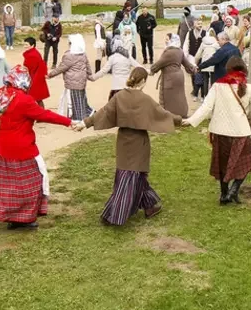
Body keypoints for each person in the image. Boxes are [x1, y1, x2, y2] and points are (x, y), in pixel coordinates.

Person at [0, 65, 72, 229]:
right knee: (33, 181)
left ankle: (11, 217)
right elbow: (45, 115)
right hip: (23, 150)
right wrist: (69, 122)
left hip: (2, 150)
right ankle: (25, 218)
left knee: (7, 186)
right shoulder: (24, 100)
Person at [75, 67, 178, 224]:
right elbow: (163, 114)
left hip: (124, 141)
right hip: (139, 142)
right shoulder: (145, 99)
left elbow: (103, 112)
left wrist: (85, 123)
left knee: (135, 175)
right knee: (130, 178)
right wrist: (180, 120)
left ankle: (149, 206)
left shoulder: (119, 96)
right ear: (143, 81)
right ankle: (113, 214)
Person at [185, 56, 251, 204]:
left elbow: (206, 107)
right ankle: (234, 190)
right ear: (244, 69)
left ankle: (224, 195)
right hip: (240, 133)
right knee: (246, 162)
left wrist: (191, 121)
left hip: (220, 132)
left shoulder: (218, 85)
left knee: (222, 165)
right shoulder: (248, 88)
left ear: (228, 69)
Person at [48, 34, 93, 121]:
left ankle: (79, 119)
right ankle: (88, 113)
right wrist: (90, 75)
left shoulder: (69, 55)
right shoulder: (83, 54)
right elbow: (88, 67)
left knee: (75, 101)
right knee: (81, 98)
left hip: (72, 82)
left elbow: (61, 68)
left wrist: (50, 75)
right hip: (82, 81)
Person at [150, 34, 197, 117]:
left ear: (172, 40)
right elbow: (187, 65)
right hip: (179, 76)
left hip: (170, 77)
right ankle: (182, 114)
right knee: (179, 96)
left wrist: (152, 70)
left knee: (168, 97)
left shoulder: (169, 52)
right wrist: (194, 69)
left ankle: (168, 116)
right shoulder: (179, 51)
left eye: (167, 39)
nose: (165, 40)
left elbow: (159, 64)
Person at [22, 37, 50, 106]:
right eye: (24, 44)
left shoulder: (32, 55)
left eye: (26, 45)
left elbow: (29, 69)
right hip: (37, 78)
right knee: (37, 99)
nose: (24, 46)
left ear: (32, 45)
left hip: (34, 79)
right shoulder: (34, 53)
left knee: (35, 98)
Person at [184, 19, 207, 100]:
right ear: (194, 25)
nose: (200, 25)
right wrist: (185, 55)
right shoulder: (189, 33)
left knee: (201, 74)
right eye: (198, 24)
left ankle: (202, 91)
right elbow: (186, 44)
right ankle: (195, 89)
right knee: (193, 74)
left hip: (201, 57)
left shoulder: (205, 33)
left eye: (201, 24)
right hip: (191, 56)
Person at [194, 28, 220, 100]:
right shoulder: (216, 43)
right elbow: (220, 53)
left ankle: (205, 96)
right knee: (213, 81)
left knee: (205, 80)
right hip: (213, 64)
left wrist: (196, 63)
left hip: (205, 64)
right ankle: (212, 97)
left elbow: (198, 55)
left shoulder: (203, 43)